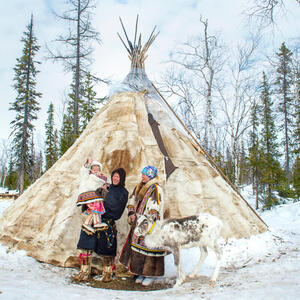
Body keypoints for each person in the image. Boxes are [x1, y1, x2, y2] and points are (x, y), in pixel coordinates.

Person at [74, 167, 129, 282]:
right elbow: (92, 197)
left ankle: (107, 273)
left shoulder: (123, 192)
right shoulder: (105, 186)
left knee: (107, 249)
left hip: (107, 221)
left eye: (118, 176)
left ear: (122, 178)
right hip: (93, 219)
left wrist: (103, 210)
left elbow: (117, 210)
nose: (115, 178)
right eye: (114, 175)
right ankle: (84, 271)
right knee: (86, 245)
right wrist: (91, 207)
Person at [119, 165, 166, 286]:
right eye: (142, 174)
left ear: (150, 175)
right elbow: (132, 200)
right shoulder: (140, 186)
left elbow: (154, 207)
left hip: (151, 225)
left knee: (149, 248)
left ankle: (150, 274)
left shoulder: (156, 189)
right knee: (138, 247)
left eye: (144, 174)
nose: (142, 176)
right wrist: (132, 212)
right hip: (139, 222)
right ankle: (139, 272)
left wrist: (147, 220)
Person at [76, 158, 108, 235]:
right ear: (91, 170)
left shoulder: (101, 178)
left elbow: (105, 184)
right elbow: (83, 172)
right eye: (94, 169)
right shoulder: (88, 176)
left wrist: (106, 186)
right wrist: (88, 164)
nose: (96, 171)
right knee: (97, 206)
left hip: (94, 196)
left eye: (98, 170)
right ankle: (97, 223)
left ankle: (87, 224)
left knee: (93, 210)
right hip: (88, 195)